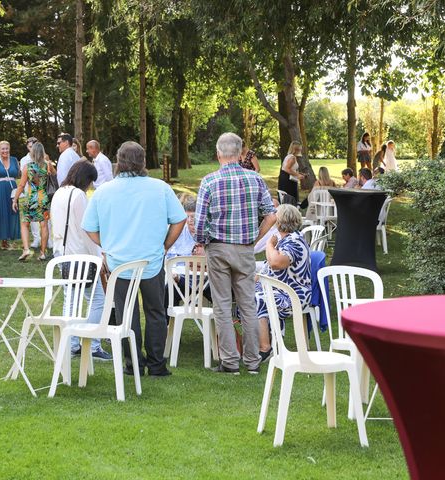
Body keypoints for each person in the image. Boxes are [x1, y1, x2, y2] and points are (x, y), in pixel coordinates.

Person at [82, 141, 186, 377]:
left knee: (126, 315)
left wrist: (106, 244)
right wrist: (166, 245)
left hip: (120, 263)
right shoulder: (159, 187)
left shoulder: (104, 191)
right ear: (143, 161)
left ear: (119, 161)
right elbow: (179, 219)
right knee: (156, 312)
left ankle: (133, 365)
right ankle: (157, 365)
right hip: (151, 260)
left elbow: (88, 227)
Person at [195, 132, 277, 375]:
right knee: (248, 305)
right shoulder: (256, 179)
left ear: (218, 154)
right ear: (241, 154)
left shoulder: (209, 181)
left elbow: (199, 223)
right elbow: (271, 215)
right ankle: (252, 362)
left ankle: (230, 361)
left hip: (218, 247)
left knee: (221, 304)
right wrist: (254, 238)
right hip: (244, 248)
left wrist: (203, 241)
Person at [50, 160, 112, 361]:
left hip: (63, 254)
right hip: (81, 256)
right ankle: (92, 344)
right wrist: (98, 256)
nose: (90, 186)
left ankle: (73, 344)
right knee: (97, 301)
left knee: (71, 301)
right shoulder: (78, 195)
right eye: (90, 182)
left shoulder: (59, 192)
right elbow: (87, 230)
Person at [254, 204, 311, 362]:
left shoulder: (294, 242)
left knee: (257, 299)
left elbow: (275, 263)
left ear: (279, 222)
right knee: (246, 293)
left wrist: (269, 244)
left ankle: (265, 348)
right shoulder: (286, 240)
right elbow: (267, 268)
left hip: (294, 295)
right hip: (281, 290)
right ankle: (263, 341)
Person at [12, 142, 55, 261]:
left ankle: (26, 249)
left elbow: (21, 185)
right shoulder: (48, 165)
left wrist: (15, 199)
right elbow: (55, 177)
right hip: (44, 199)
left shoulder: (28, 167)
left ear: (32, 153)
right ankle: (42, 252)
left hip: (31, 198)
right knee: (44, 225)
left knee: (25, 223)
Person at [0, 140, 20, 249]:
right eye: (2, 148)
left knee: (10, 213)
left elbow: (18, 173)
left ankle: (5, 241)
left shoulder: (14, 160)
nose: (5, 151)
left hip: (12, 190)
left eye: (7, 148)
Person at [20, 137, 41, 249]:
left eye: (34, 146)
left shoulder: (43, 157)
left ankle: (48, 240)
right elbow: (24, 177)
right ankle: (36, 238)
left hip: (43, 191)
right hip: (30, 191)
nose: (32, 148)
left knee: (46, 217)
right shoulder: (24, 160)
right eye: (29, 146)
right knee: (32, 216)